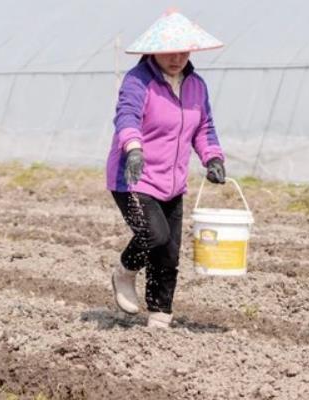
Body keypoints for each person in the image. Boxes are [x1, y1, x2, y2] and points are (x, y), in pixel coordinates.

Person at [106, 10, 226, 328]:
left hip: (173, 181)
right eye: (170, 52)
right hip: (134, 176)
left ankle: (160, 316)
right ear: (155, 50)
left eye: (183, 52)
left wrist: (213, 158)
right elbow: (126, 116)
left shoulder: (196, 86)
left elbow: (205, 128)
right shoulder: (138, 80)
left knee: (169, 253)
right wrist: (133, 149)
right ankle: (124, 272)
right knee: (154, 235)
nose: (176, 59)